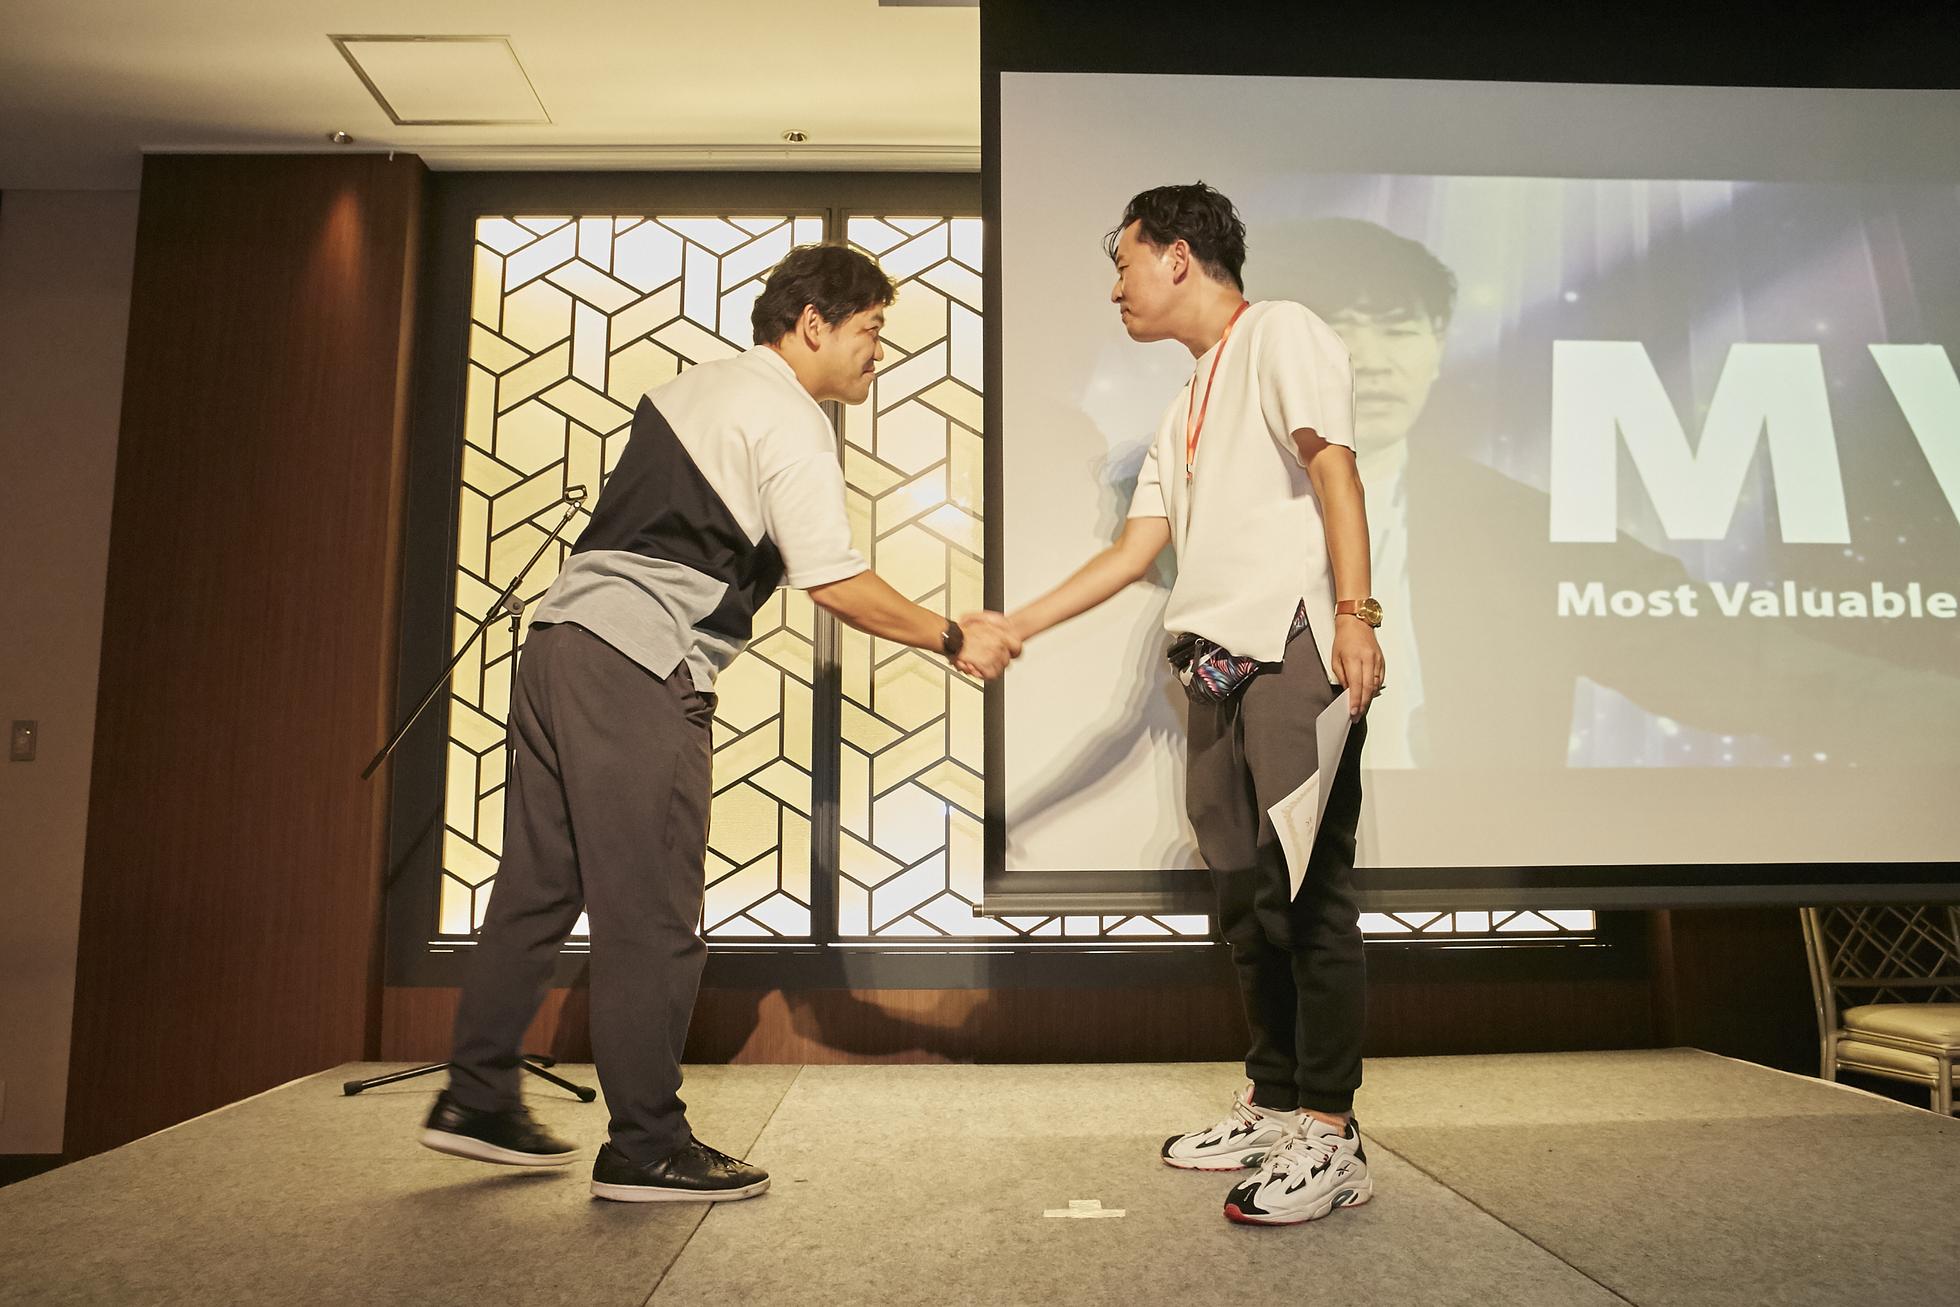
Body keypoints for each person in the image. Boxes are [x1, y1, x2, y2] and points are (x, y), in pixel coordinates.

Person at [419, 244, 1019, 1203]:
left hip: (559, 645)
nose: (879, 352)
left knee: (536, 890)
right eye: (871, 331)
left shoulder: (691, 389)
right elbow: (833, 579)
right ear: (814, 324)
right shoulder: (790, 416)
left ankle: (476, 1095)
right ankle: (646, 1144)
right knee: (652, 913)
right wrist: (953, 635)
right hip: (635, 664)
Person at [1005, 184, 1384, 1226]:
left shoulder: (1281, 332)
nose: (1115, 288)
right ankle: (1274, 1101)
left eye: (1123, 262)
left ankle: (1331, 1132)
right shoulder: (1183, 402)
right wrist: (1015, 623)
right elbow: (1136, 552)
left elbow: (1334, 467)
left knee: (1307, 891)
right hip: (1214, 664)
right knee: (1244, 896)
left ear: (1177, 256)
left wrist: (1356, 613)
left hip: (1294, 644)